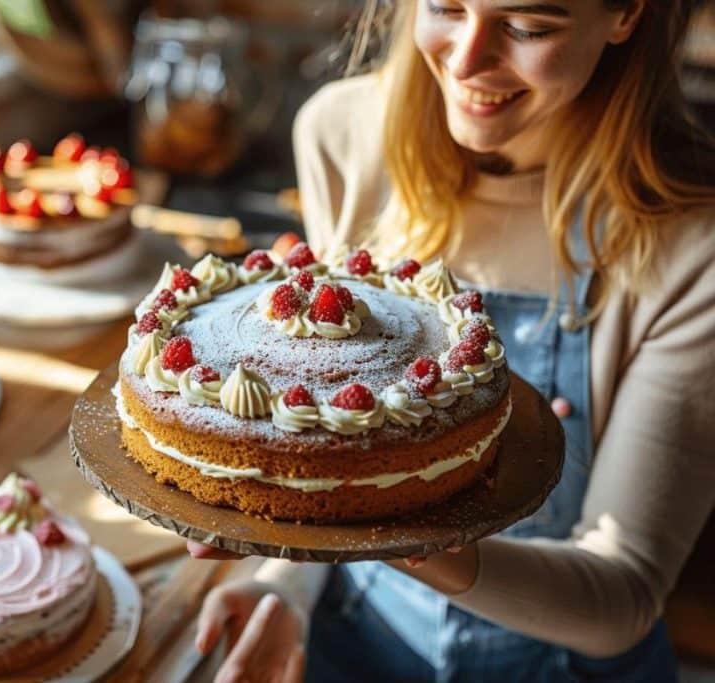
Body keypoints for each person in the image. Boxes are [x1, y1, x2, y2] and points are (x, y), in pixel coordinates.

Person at [190, 1, 715, 681]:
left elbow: (623, 594)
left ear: (624, 14)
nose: (467, 61)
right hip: (353, 644)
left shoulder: (692, 249)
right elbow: (324, 434)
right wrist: (289, 583)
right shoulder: (342, 137)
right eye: (445, 6)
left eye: (529, 27)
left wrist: (384, 524)